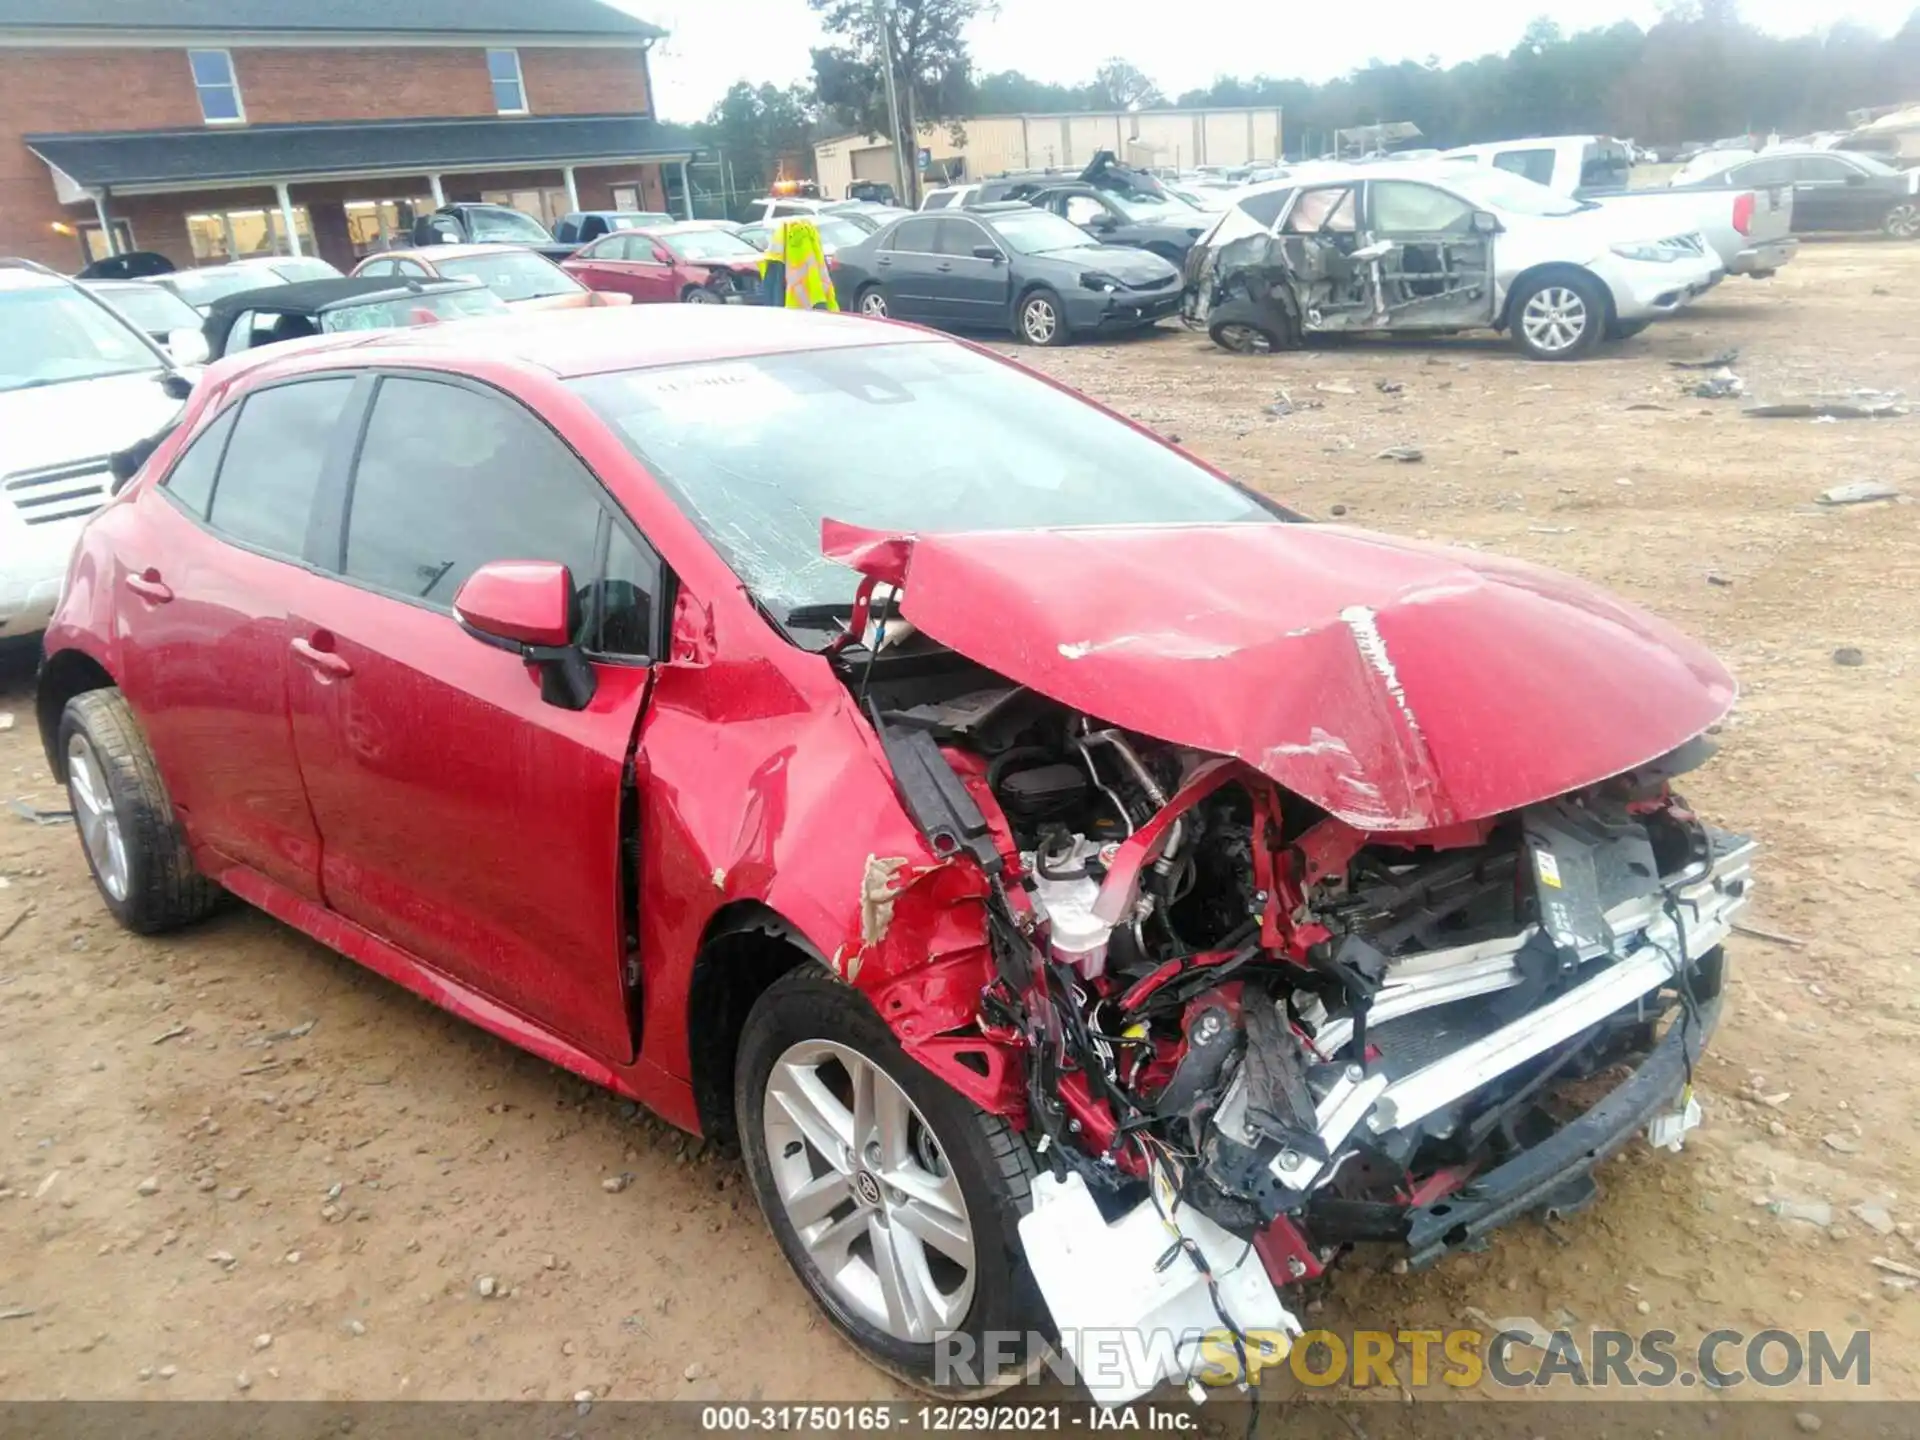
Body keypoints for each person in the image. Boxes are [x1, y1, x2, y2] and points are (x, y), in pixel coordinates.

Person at [758, 218, 839, 311]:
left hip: (792, 308)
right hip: (812, 306)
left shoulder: (778, 251)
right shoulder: (812, 249)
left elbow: (773, 289)